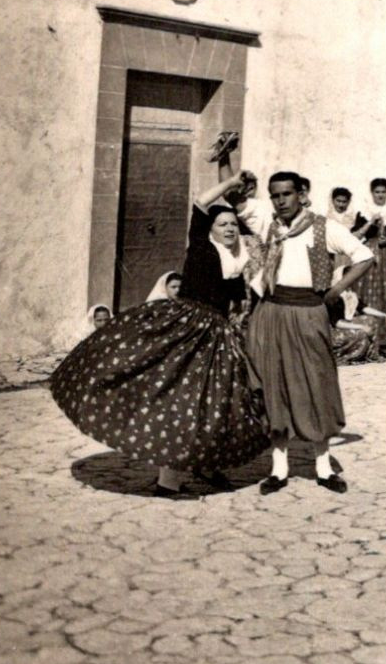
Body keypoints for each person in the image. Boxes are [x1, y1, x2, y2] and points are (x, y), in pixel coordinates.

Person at [51, 171, 268, 497]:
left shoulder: (237, 259)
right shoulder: (201, 246)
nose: (229, 229)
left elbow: (239, 299)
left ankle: (207, 466)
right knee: (184, 400)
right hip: (188, 329)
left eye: (233, 225)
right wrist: (231, 182)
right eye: (223, 224)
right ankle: (168, 482)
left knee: (219, 400)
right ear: (210, 229)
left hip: (219, 336)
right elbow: (199, 202)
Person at [247, 171, 375, 495]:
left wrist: (336, 290)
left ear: (302, 194)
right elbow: (237, 204)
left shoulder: (325, 227)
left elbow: (364, 257)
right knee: (273, 385)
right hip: (271, 311)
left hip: (309, 313)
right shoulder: (271, 226)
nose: (280, 201)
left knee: (317, 383)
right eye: (274, 195)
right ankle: (279, 469)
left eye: (286, 194)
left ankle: (322, 466)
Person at [353, 177, 386, 311]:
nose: (380, 195)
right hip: (369, 252)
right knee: (368, 283)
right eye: (377, 192)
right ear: (372, 193)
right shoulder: (364, 212)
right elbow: (354, 236)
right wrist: (370, 221)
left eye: (383, 192)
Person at [327, 187, 359, 276]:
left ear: (348, 202)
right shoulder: (327, 216)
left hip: (347, 253)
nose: (341, 205)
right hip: (332, 253)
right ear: (333, 200)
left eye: (344, 202)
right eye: (338, 201)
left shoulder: (353, 217)